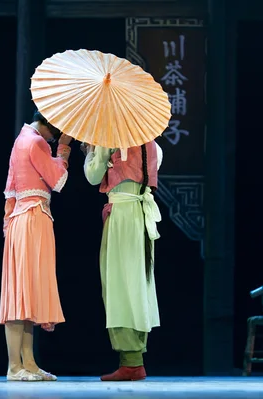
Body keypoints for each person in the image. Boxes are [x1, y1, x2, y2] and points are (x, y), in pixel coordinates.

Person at [0, 111, 73, 382]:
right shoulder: (36, 142)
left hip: (25, 218)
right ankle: (14, 367)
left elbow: (10, 189)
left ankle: (28, 362)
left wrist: (9, 223)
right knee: (22, 294)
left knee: (27, 292)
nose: (54, 137)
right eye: (56, 130)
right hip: (31, 220)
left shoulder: (21, 139)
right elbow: (58, 180)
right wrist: (64, 149)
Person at [83, 141, 163, 382]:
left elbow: (93, 177)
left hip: (123, 217)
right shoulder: (154, 146)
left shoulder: (110, 142)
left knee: (119, 285)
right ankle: (133, 359)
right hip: (140, 214)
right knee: (138, 284)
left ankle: (131, 361)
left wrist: (94, 152)